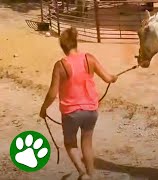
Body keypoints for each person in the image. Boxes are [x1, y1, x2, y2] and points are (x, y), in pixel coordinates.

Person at [39, 27, 117, 180]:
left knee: (70, 144)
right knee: (87, 144)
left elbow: (52, 94)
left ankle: (82, 173)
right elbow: (108, 78)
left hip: (71, 112)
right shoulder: (89, 58)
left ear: (62, 46)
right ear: (76, 42)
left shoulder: (60, 65)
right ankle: (92, 175)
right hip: (91, 110)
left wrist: (43, 109)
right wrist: (113, 78)